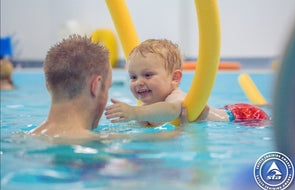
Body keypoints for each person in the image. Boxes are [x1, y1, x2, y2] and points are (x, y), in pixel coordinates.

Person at [105, 39, 269, 126]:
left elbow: (172, 111)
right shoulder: (144, 110)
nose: (138, 82)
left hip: (243, 116)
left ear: (175, 78)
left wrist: (133, 113)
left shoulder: (175, 98)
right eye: (133, 77)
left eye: (148, 75)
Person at [30, 35, 112, 138]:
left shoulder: (23, 138)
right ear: (96, 86)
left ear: (48, 85)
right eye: (108, 88)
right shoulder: (102, 141)